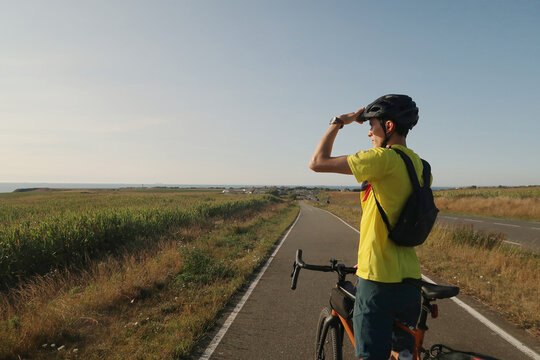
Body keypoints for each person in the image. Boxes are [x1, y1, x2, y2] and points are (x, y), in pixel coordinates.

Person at [309, 94, 425, 360]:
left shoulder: (382, 159)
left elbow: (317, 162)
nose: (369, 133)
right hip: (410, 282)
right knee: (401, 355)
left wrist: (338, 122)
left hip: (378, 282)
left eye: (372, 125)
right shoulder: (420, 165)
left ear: (389, 127)